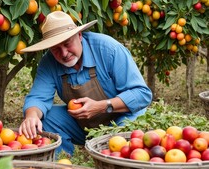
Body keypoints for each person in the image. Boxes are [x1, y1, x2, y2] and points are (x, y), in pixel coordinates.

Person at [18, 11, 152, 156]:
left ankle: (116, 160)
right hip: (83, 125)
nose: (64, 53)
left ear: (80, 35)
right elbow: (38, 98)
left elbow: (141, 94)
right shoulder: (49, 62)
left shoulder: (108, 49)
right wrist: (32, 116)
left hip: (121, 119)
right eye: (56, 49)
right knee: (45, 119)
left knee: (128, 132)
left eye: (67, 44)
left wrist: (101, 106)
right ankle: (63, 164)